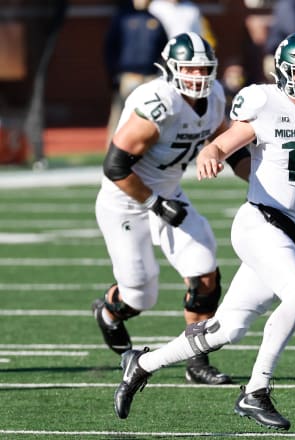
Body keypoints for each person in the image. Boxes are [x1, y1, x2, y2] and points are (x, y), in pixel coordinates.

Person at [111, 31, 295, 431]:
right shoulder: (264, 102)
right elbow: (221, 145)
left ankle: (142, 363)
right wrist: (209, 154)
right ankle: (256, 391)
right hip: (260, 222)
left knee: (227, 329)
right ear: (287, 72)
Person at [93, 32, 250, 387]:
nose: (197, 75)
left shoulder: (213, 97)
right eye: (189, 67)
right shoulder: (157, 104)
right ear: (171, 68)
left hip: (167, 192)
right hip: (126, 200)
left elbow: (227, 147)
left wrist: (258, 182)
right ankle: (108, 309)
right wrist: (155, 204)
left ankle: (197, 360)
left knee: (205, 275)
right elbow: (115, 167)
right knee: (139, 295)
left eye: (203, 68)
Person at [104, 0, 169, 147]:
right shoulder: (122, 18)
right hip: (129, 76)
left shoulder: (155, 20)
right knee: (120, 115)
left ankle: (148, 150)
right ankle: (112, 150)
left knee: (152, 116)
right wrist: (113, 75)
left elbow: (165, 50)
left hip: (150, 77)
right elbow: (110, 48)